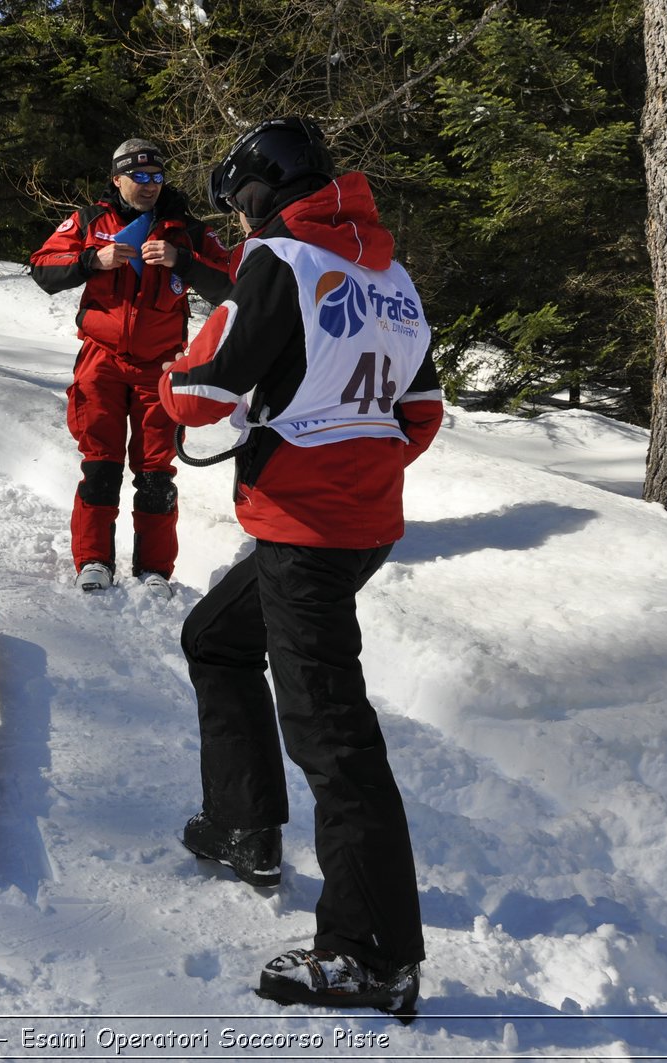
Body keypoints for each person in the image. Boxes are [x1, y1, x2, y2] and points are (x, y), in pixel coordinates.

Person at [158, 117, 444, 1020]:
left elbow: (205, 393)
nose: (237, 220)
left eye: (237, 201)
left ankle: (373, 953)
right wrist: (354, 462)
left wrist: (172, 380)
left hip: (307, 529)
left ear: (258, 189)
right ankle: (244, 823)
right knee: (215, 636)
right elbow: (424, 412)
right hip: (359, 523)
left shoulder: (280, 260)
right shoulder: (388, 275)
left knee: (335, 740)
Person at [30, 137, 233, 595]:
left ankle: (155, 570)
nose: (149, 185)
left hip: (160, 368)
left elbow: (233, 287)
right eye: (138, 177)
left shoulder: (188, 230)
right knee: (100, 464)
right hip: (101, 360)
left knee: (156, 472)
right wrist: (89, 260)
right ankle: (94, 561)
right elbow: (42, 268)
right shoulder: (89, 221)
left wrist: (184, 260)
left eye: (157, 177)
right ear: (117, 179)